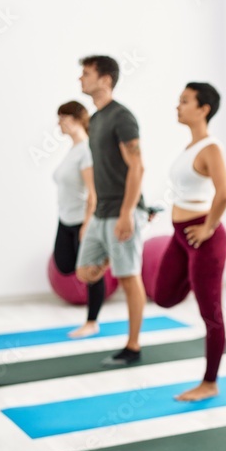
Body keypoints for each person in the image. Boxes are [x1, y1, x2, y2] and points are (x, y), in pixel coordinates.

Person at [153, 83, 226, 401]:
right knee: (162, 296)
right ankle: (200, 281)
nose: (178, 106)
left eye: (185, 101)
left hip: (204, 237)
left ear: (204, 109)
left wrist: (209, 228)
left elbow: (224, 193)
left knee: (211, 314)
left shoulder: (211, 148)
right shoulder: (190, 148)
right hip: (181, 235)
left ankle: (210, 382)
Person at [74, 55, 149, 366]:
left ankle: (133, 347)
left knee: (130, 278)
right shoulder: (95, 119)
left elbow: (138, 166)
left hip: (122, 210)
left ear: (105, 80)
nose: (80, 79)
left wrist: (128, 213)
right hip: (102, 210)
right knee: (84, 272)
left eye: (86, 74)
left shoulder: (122, 117)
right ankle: (111, 254)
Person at [52, 101, 105, 338]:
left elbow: (93, 193)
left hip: (83, 221)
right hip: (65, 219)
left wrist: (87, 224)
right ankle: (103, 261)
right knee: (64, 264)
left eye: (61, 118)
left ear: (73, 119)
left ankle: (92, 321)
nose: (59, 123)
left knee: (91, 272)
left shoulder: (85, 150)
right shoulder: (73, 150)